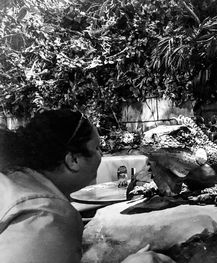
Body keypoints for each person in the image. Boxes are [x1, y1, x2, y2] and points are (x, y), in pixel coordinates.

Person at [0, 109, 175, 263]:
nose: (101, 155)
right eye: (97, 148)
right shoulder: (45, 216)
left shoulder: (13, 181)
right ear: (73, 160)